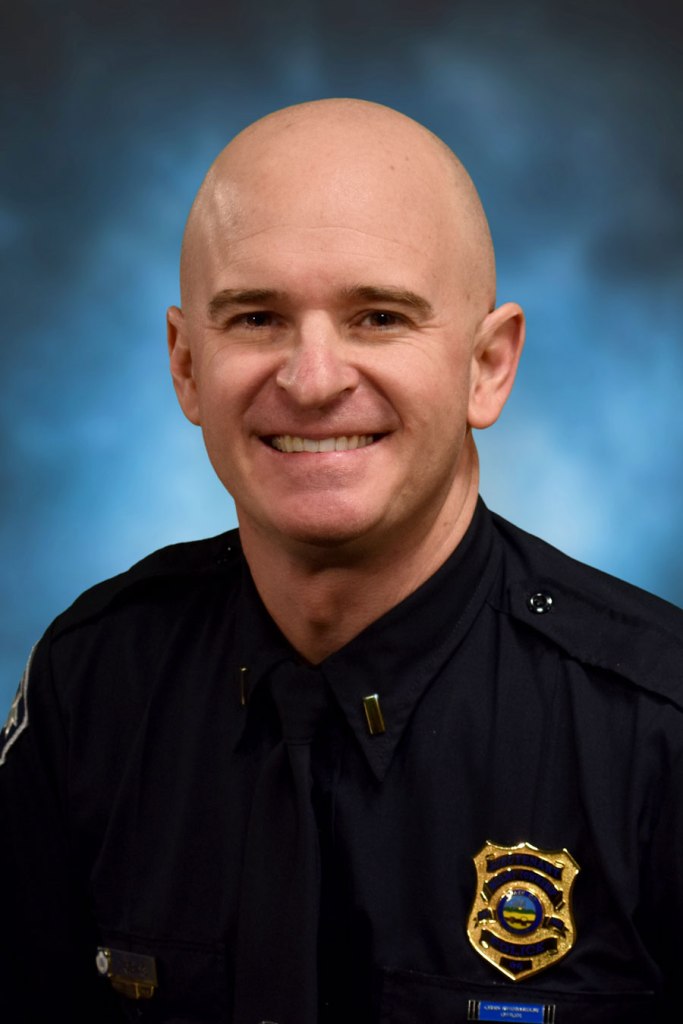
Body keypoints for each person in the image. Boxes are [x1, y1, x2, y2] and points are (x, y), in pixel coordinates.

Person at [1, 98, 682, 1024]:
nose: (313, 380)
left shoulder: (653, 727)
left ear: (487, 366)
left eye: (377, 317)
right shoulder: (93, 681)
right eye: (255, 318)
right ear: (187, 366)